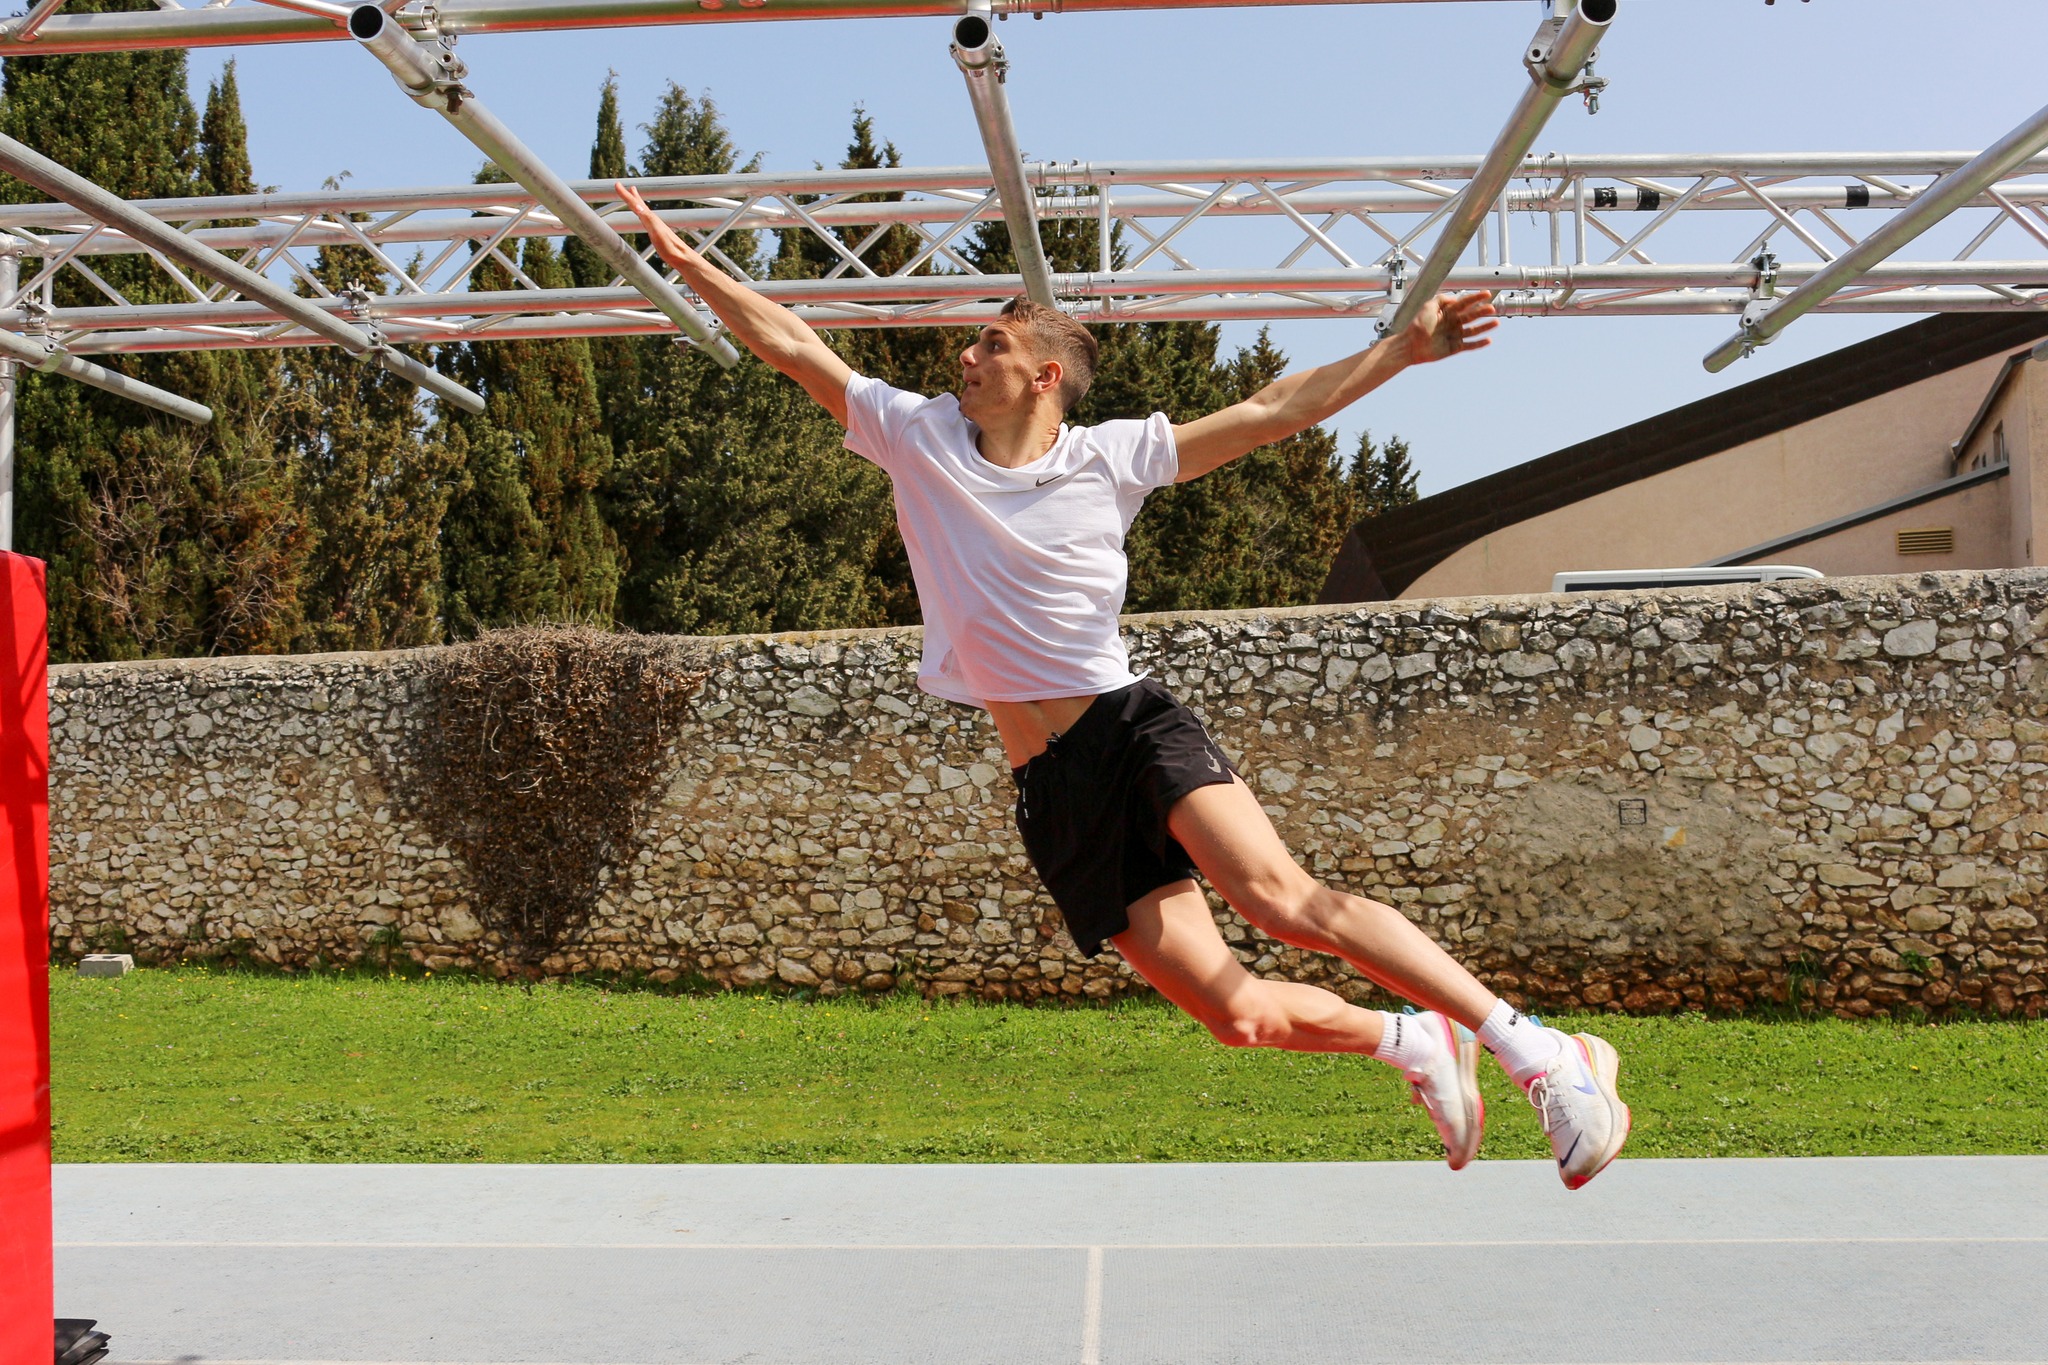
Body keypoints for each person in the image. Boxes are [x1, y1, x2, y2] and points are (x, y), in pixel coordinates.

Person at [619, 184, 1631, 1186]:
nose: (964, 358)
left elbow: (1270, 411)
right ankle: (1410, 1040)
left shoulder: (1110, 459)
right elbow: (794, 345)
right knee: (1236, 1015)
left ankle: (1538, 1051)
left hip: (1129, 729)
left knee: (1281, 900)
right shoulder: (915, 436)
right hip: (1052, 787)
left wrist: (1400, 351)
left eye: (989, 346)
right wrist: (693, 266)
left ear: (1044, 376)